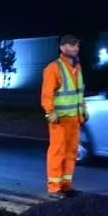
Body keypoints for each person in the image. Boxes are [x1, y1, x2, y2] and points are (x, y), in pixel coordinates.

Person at [39, 34, 88, 199]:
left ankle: (66, 186)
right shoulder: (54, 68)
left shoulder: (77, 67)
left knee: (71, 152)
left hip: (74, 118)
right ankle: (54, 188)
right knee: (57, 152)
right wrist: (50, 111)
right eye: (72, 45)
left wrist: (83, 110)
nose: (76, 48)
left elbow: (79, 92)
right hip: (59, 119)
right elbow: (47, 93)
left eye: (77, 46)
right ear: (63, 48)